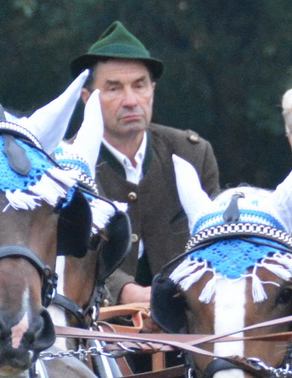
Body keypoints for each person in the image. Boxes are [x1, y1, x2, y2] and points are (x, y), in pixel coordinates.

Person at [72, 21, 221, 309]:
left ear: (152, 90)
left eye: (139, 85)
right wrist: (122, 291)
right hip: (98, 333)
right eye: (113, 88)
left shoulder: (193, 153)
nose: (131, 101)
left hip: (186, 326)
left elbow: (214, 243)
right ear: (87, 99)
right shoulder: (67, 164)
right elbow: (66, 254)